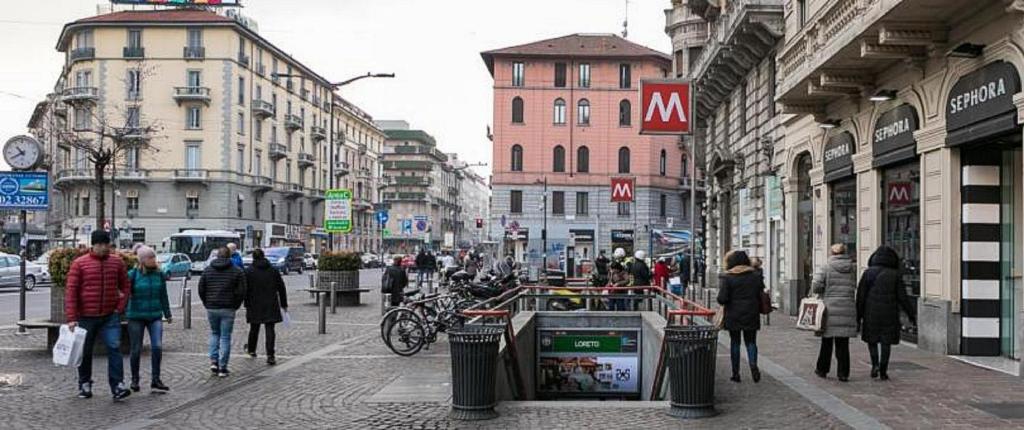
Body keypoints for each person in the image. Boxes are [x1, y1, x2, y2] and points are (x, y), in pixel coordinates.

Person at [65, 230, 133, 401]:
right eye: (100, 244)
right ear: (93, 245)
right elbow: (71, 291)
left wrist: (119, 308)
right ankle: (85, 383)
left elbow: (126, 286)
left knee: (114, 348)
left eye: (106, 244)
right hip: (86, 316)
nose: (104, 248)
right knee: (85, 351)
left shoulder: (116, 263)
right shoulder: (80, 264)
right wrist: (72, 317)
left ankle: (117, 385)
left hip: (110, 315)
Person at [857, 246, 916, 381]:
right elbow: (903, 297)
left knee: (872, 340)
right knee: (886, 342)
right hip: (889, 313)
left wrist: (858, 316)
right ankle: (883, 370)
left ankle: (875, 365)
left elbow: (861, 297)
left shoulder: (868, 273)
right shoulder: (895, 275)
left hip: (871, 312)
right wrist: (911, 314)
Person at [126, 245, 172, 393]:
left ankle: (156, 379)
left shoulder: (159, 274)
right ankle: (134, 379)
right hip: (136, 316)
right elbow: (124, 293)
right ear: (142, 260)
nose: (154, 260)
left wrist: (168, 313)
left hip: (155, 315)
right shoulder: (133, 274)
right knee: (135, 349)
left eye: (154, 257)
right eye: (150, 257)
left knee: (157, 346)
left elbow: (163, 295)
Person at [811, 244, 857, 382]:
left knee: (826, 342)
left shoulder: (826, 267)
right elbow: (854, 284)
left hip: (829, 308)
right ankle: (843, 373)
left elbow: (816, 286)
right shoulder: (852, 268)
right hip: (847, 307)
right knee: (843, 343)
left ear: (831, 253)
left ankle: (822, 369)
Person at [199, 247, 247, 377]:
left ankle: (214, 361)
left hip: (212, 307)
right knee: (225, 337)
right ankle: (223, 367)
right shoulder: (237, 271)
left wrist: (207, 302)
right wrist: (235, 305)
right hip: (228, 307)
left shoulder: (208, 270)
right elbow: (242, 291)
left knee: (215, 333)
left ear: (217, 256)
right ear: (230, 256)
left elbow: (201, 289)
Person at [717, 250, 764, 383]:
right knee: (751, 341)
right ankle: (753, 364)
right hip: (751, 312)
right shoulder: (755, 275)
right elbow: (760, 291)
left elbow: (722, 299)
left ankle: (736, 373)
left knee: (735, 342)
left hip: (733, 314)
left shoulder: (727, 277)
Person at [243, 249, 288, 365]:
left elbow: (244, 290)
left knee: (254, 328)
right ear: (264, 257)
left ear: (253, 258)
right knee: (270, 329)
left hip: (254, 303)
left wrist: (245, 303)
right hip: (270, 303)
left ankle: (251, 350)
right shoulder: (273, 270)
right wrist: (284, 304)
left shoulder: (248, 271)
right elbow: (281, 288)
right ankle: (270, 355)